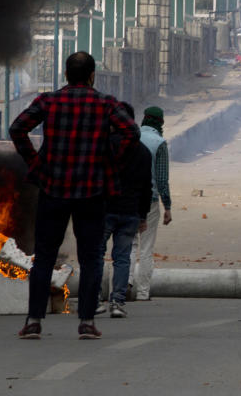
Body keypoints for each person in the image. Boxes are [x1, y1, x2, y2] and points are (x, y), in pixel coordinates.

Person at [10, 51, 140, 340]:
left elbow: (17, 127)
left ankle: (33, 320)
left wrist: (35, 163)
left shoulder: (49, 100)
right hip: (92, 191)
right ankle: (87, 322)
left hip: (53, 189)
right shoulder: (105, 103)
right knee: (91, 257)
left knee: (44, 256)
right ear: (92, 75)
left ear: (66, 75)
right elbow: (132, 132)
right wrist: (111, 163)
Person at [97, 102, 153, 319]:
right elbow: (146, 187)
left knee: (96, 255)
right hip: (130, 212)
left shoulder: (104, 146)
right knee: (122, 258)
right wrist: (143, 215)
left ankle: (94, 300)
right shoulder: (143, 152)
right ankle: (117, 302)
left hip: (104, 209)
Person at [130, 106, 173, 301]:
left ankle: (124, 286)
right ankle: (142, 292)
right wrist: (168, 207)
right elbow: (162, 179)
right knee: (146, 248)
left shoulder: (132, 138)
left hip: (128, 199)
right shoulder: (160, 143)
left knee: (128, 245)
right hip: (151, 201)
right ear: (160, 122)